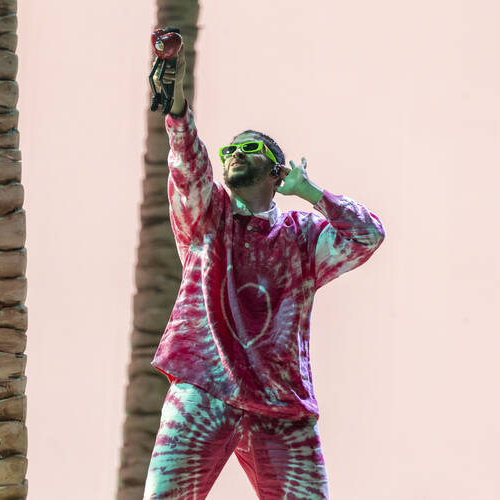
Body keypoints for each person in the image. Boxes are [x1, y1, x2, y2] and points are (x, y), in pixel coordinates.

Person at [143, 47, 386, 500]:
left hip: (280, 403)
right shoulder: (207, 215)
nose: (234, 153)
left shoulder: (301, 236)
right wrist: (176, 103)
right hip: (206, 387)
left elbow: (367, 236)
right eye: (230, 149)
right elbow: (188, 164)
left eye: (248, 147)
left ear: (277, 172)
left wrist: (311, 192)